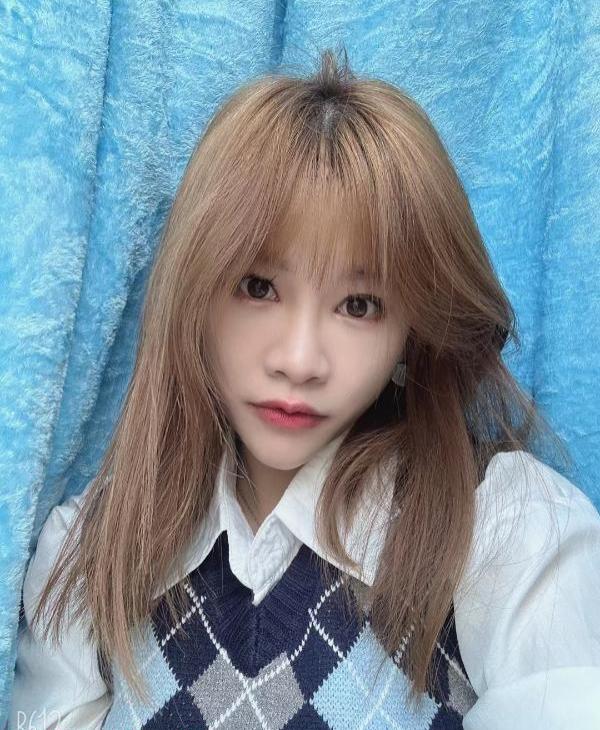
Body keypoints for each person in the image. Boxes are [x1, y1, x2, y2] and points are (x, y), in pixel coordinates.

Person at [8, 47, 600, 730]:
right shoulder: (93, 551)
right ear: (193, 295)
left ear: (412, 332)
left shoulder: (504, 528)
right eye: (258, 287)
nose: (298, 360)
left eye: (359, 305)